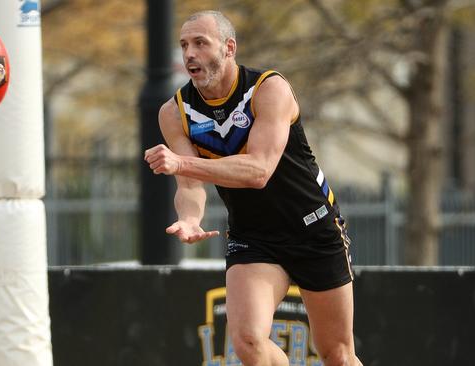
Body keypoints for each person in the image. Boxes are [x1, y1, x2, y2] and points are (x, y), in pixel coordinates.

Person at [144, 10, 362, 366]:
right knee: (246, 340)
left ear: (229, 48)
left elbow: (258, 170)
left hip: (314, 227)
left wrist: (182, 162)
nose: (189, 54)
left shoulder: (268, 88)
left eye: (201, 43)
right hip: (254, 235)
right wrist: (189, 217)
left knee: (337, 354)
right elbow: (190, 184)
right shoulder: (175, 111)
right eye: (184, 45)